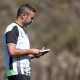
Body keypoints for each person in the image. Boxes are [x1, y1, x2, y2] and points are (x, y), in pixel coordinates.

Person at [3, 4, 50, 80]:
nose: (32, 20)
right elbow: (12, 51)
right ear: (24, 15)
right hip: (16, 73)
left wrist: (35, 55)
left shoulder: (23, 30)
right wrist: (31, 50)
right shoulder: (12, 28)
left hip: (23, 73)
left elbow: (20, 56)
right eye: (31, 18)